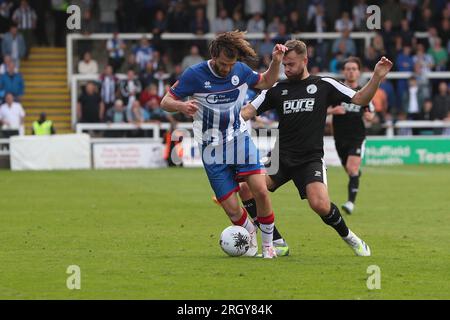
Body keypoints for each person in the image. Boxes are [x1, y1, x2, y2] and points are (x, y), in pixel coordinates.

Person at [240, 40, 393, 257]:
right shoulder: (277, 89)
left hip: (309, 159)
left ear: (305, 61)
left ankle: (350, 237)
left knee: (320, 205)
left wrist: (377, 77)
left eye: (291, 64)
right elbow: (246, 112)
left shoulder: (325, 85)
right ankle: (277, 240)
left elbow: (360, 98)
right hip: (279, 157)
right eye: (285, 64)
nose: (287, 68)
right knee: (246, 188)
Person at [161, 31, 287, 258]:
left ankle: (269, 246)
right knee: (231, 209)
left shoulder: (241, 70)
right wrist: (180, 107)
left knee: (259, 190)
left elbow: (267, 81)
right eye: (222, 64)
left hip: (239, 139)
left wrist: (276, 62)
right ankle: (249, 238)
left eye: (230, 64)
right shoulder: (194, 74)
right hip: (211, 149)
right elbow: (165, 101)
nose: (227, 69)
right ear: (214, 55)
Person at [327, 57, 375, 214]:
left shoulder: (364, 92)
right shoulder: (336, 92)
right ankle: (356, 176)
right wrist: (332, 111)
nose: (351, 71)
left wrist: (370, 117)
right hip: (339, 139)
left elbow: (370, 113)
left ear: (359, 72)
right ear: (343, 71)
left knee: (351, 168)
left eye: (354, 69)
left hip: (357, 137)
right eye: (348, 69)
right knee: (350, 171)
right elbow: (321, 110)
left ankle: (350, 203)